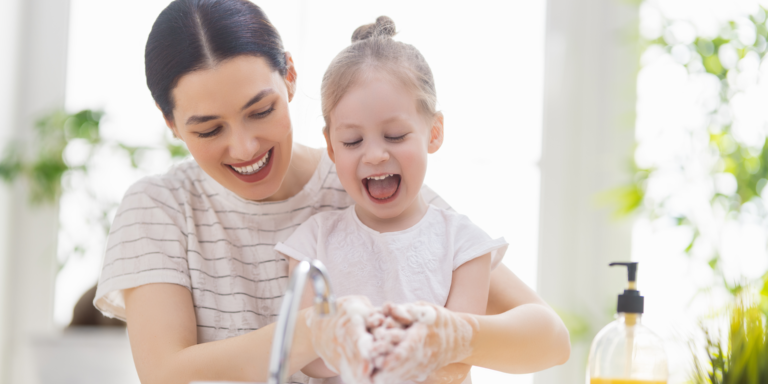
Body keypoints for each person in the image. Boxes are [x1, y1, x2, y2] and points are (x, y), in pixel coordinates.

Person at [93, 1, 571, 384]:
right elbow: (166, 373)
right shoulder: (160, 208)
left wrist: (455, 335)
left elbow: (548, 337)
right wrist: (312, 333)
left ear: (291, 77)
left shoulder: (364, 183)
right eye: (209, 128)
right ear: (170, 122)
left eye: (260, 111)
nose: (245, 147)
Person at [275, 16, 507, 384]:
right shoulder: (312, 242)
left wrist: (402, 347)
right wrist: (347, 342)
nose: (376, 155)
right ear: (332, 147)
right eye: (352, 141)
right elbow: (307, 359)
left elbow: (457, 364)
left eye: (396, 135)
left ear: (434, 132)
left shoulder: (465, 245)